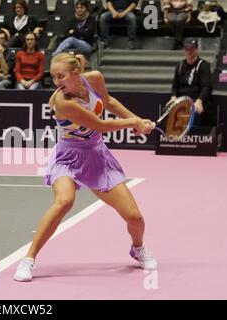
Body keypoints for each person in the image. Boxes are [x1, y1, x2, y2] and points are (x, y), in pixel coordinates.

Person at [13, 52, 157, 282]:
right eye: (53, 77)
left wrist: (136, 119)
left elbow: (109, 102)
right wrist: (134, 123)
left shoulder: (94, 79)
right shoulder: (63, 102)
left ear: (76, 74)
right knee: (64, 201)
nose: (57, 83)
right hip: (68, 157)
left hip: (97, 156)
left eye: (61, 76)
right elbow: (100, 124)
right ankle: (28, 260)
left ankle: (137, 248)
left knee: (135, 218)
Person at [169, 38, 215, 126]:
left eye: (192, 49)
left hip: (197, 101)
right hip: (182, 101)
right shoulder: (180, 65)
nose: (189, 51)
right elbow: (175, 85)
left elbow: (206, 86)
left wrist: (199, 101)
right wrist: (173, 97)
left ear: (197, 49)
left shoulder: (203, 65)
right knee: (168, 112)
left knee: (196, 114)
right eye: (186, 49)